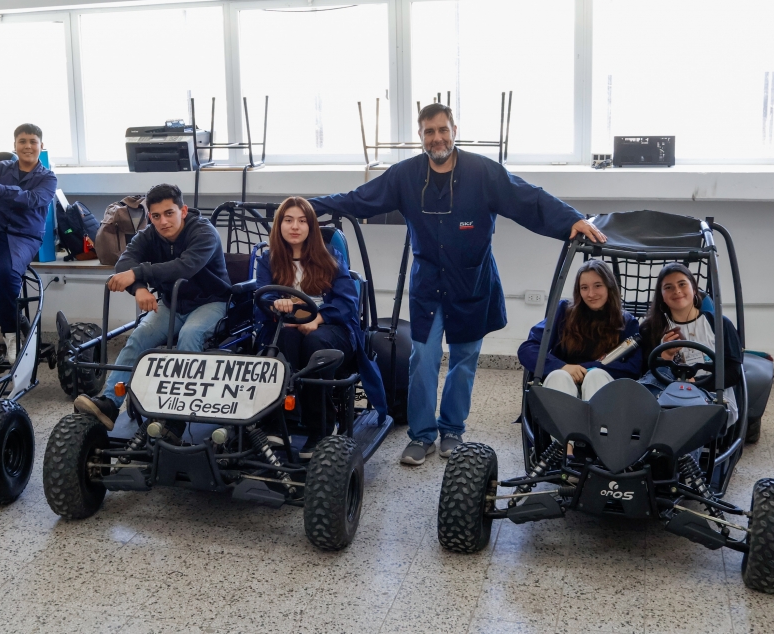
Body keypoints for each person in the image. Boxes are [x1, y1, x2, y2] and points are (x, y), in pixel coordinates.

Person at [310, 102, 606, 465]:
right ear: (421, 137)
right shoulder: (405, 175)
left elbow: (528, 198)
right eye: (429, 132)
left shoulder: (483, 172)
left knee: (464, 360)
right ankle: (421, 435)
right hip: (428, 284)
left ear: (454, 131)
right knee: (423, 359)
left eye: (442, 130)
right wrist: (308, 208)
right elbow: (359, 199)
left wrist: (571, 219)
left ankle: (452, 430)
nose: (437, 138)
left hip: (472, 283)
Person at [73, 184, 232, 431]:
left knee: (190, 335)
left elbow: (184, 267)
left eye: (169, 213)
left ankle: (179, 414)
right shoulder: (149, 234)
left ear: (183, 211)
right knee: (139, 336)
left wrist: (137, 273)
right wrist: (138, 288)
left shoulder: (204, 232)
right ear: (150, 217)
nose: (163, 222)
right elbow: (124, 263)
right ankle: (110, 403)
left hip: (211, 302)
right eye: (156, 216)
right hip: (171, 304)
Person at [254, 197, 388, 459]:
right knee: (283, 343)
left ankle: (323, 426)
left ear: (311, 226)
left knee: (315, 345)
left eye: (302, 221)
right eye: (288, 220)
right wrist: (276, 305)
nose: (295, 227)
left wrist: (317, 319)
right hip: (286, 325)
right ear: (279, 225)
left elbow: (347, 303)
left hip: (331, 326)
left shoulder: (329, 257)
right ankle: (281, 422)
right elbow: (262, 297)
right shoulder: (268, 259)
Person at [0, 124, 57, 362]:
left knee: (6, 273)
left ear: (41, 146)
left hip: (23, 236)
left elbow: (31, 199)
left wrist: (0, 190)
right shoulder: (3, 167)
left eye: (33, 141)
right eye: (22, 141)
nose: (27, 146)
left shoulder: (48, 178)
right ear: (14, 145)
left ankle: (11, 335)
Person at [517, 260, 641, 400]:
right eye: (584, 288)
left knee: (595, 375)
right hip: (564, 382)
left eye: (598, 286)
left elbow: (633, 368)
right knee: (559, 375)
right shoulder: (564, 312)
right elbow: (527, 349)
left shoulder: (627, 322)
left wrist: (586, 368)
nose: (591, 294)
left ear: (609, 286)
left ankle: (596, 414)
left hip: (602, 384)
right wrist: (562, 367)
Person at [637, 263, 742, 426]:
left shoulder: (719, 324)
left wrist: (696, 383)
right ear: (662, 295)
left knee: (686, 414)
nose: (677, 291)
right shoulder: (651, 329)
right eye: (668, 287)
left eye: (682, 284)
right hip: (665, 396)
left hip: (712, 395)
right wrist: (665, 357)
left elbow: (734, 371)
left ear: (694, 288)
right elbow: (645, 374)